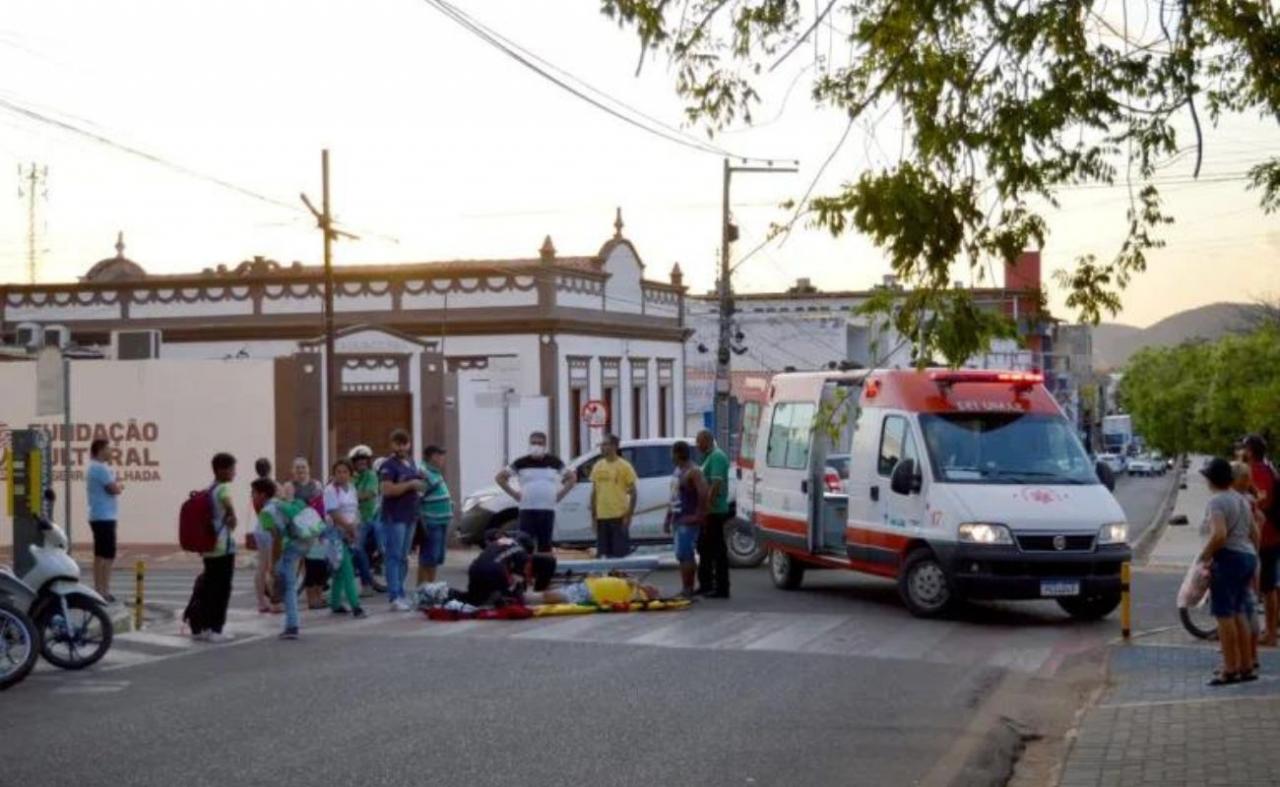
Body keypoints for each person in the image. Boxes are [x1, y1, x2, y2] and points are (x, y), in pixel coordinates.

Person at [1198, 457, 1259, 685]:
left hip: (1228, 559)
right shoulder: (1241, 500)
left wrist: (1205, 555)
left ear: (1211, 479)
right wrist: (1254, 558)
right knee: (1240, 612)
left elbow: (1220, 534)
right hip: (1247, 556)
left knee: (1224, 616)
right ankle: (1246, 665)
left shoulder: (1217, 502)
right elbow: (1255, 533)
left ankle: (1229, 668)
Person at [497, 431, 575, 554]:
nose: (536, 446)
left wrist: (560, 495)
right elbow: (500, 478)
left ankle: (543, 570)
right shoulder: (521, 462)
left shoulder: (554, 462)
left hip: (547, 509)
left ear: (545, 445)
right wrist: (514, 494)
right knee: (525, 543)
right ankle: (525, 570)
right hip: (527, 509)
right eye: (533, 443)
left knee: (545, 544)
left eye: (539, 443)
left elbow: (571, 478)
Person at [192, 452, 238, 643]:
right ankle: (216, 629)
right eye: (232, 469)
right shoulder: (224, 490)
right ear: (222, 470)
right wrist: (232, 517)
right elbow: (232, 518)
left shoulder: (210, 489)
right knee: (222, 588)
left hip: (209, 546)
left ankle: (202, 627)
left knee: (209, 587)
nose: (234, 473)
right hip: (223, 547)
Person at [380, 429, 425, 611]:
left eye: (404, 442)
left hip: (410, 516)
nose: (401, 446)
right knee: (394, 556)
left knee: (404, 557)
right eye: (397, 443)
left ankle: (401, 593)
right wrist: (411, 484)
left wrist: (420, 481)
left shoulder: (411, 462)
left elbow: (418, 484)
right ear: (392, 444)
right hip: (395, 516)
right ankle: (394, 596)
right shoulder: (388, 465)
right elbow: (387, 489)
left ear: (409, 444)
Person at [1242, 435, 1278, 646]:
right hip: (1266, 534)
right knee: (1268, 586)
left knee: (1267, 586)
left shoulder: (1259, 472)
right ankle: (1269, 630)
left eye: (1244, 448)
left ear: (1251, 451)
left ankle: (1270, 633)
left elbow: (1262, 499)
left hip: (1265, 535)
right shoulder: (1268, 469)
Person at [268, 483, 314, 640]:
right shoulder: (300, 503)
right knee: (287, 580)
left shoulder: (277, 507)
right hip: (307, 543)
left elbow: (277, 536)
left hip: (293, 546)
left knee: (288, 585)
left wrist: (273, 563)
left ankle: (292, 625)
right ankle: (290, 622)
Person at [665, 440, 708, 600]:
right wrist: (668, 517)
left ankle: (688, 589)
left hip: (687, 519)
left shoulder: (693, 471)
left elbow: (703, 492)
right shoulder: (678, 470)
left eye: (671, 453)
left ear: (677, 454)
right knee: (681, 556)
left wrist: (698, 514)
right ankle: (686, 588)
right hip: (677, 517)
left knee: (686, 554)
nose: (670, 456)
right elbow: (674, 497)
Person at [1232, 460, 1263, 672]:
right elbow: (1259, 525)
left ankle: (1241, 659)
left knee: (1238, 611)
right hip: (1251, 558)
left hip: (1238, 558)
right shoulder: (1250, 500)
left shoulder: (1235, 501)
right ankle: (1252, 656)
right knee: (1250, 606)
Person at [324, 458, 365, 618]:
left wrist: (354, 527)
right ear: (333, 474)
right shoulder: (330, 490)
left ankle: (335, 603)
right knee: (347, 569)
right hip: (335, 534)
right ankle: (356, 606)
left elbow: (355, 511)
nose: (341, 475)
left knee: (340, 570)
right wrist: (348, 528)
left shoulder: (352, 489)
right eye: (338, 472)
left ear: (350, 474)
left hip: (350, 532)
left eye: (345, 472)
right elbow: (334, 513)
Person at [86, 439, 124, 603]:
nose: (111, 452)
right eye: (108, 448)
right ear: (101, 450)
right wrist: (120, 486)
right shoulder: (100, 468)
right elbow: (113, 489)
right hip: (104, 516)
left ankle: (99, 589)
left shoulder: (94, 467)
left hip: (98, 515)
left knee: (100, 554)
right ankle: (103, 591)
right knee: (107, 555)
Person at [696, 430, 732, 598]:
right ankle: (706, 584)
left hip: (715, 511)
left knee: (717, 550)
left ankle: (721, 587)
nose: (697, 446)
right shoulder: (707, 457)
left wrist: (708, 505)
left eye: (699, 442)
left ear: (707, 440)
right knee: (704, 548)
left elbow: (716, 482)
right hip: (707, 512)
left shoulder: (717, 456)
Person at [588, 434, 637, 559]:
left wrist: (628, 516)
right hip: (602, 517)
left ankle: (618, 577)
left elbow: (634, 493)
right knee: (603, 555)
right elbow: (594, 491)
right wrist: (593, 516)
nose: (602, 447)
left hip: (618, 517)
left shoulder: (624, 466)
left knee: (619, 555)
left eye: (605, 444)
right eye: (602, 444)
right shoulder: (598, 466)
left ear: (614, 446)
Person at [349, 445, 386, 595]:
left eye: (364, 460)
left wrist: (349, 497)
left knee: (357, 548)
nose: (361, 463)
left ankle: (367, 584)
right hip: (351, 519)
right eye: (358, 461)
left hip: (366, 519)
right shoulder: (352, 476)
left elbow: (369, 493)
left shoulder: (371, 476)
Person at [417, 445, 453, 585]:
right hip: (431, 521)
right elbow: (418, 497)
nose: (442, 459)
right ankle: (422, 589)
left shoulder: (435, 473)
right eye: (440, 455)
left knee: (436, 558)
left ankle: (430, 588)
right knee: (428, 558)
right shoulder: (424, 473)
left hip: (442, 521)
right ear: (432, 457)